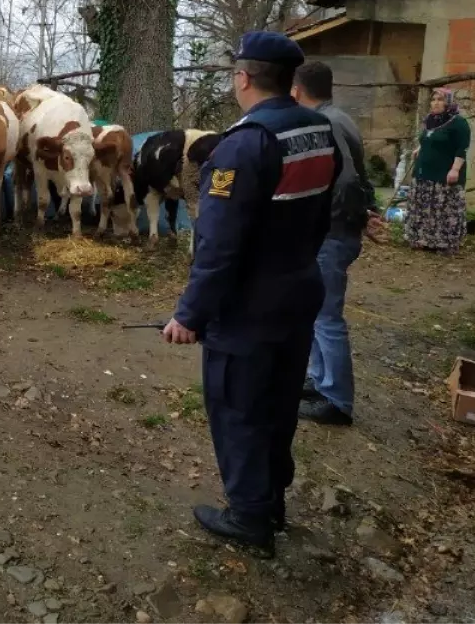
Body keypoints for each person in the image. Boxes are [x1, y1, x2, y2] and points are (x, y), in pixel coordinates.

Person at [162, 31, 341, 557]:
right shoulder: (317, 129)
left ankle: (249, 517)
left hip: (250, 306)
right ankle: (272, 502)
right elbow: (322, 210)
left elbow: (218, 245)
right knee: (280, 402)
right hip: (300, 288)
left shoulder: (242, 145)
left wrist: (189, 314)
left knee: (238, 405)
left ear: (243, 77)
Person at [291, 61, 380, 427]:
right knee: (314, 310)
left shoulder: (325, 124)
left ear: (297, 91)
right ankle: (318, 379)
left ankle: (338, 400)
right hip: (338, 232)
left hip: (332, 234)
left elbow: (344, 183)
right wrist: (368, 210)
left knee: (327, 316)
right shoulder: (340, 117)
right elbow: (360, 174)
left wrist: (336, 221)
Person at [405, 88, 471, 253]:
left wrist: (455, 169)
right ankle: (421, 239)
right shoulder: (430, 120)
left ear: (448, 102)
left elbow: (461, 148)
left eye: (440, 100)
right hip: (423, 172)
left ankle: (444, 243)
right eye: (433, 99)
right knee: (423, 207)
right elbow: (429, 137)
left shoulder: (458, 123)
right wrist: (420, 148)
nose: (435, 103)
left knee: (443, 209)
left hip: (444, 175)